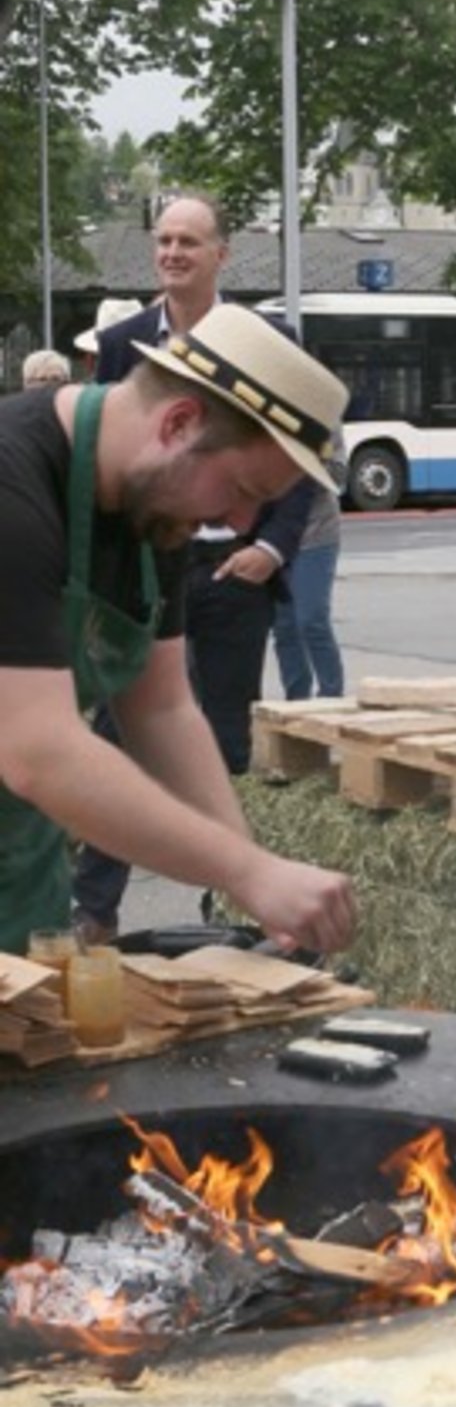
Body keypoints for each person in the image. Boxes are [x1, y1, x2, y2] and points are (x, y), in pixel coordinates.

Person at [0, 301, 356, 959]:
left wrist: (250, 879)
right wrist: (248, 871)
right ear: (179, 423)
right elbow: (37, 750)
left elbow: (162, 708)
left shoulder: (155, 506)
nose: (243, 523)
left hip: (19, 884)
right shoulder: (13, 484)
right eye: (243, 488)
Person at [72, 196, 312, 942]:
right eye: (163, 241)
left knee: (222, 731)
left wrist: (266, 547)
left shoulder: (270, 342)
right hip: (143, 568)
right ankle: (95, 908)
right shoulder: (119, 346)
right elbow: (38, 747)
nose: (173, 253)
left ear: (221, 255)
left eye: (189, 241)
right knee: (112, 730)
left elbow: (295, 469)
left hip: (228, 577)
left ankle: (227, 915)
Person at [273, 428, 347, 701]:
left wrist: (306, 459)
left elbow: (338, 476)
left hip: (317, 533)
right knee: (284, 626)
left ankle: (331, 696)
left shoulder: (325, 417)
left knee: (311, 619)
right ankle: (296, 700)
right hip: (277, 534)